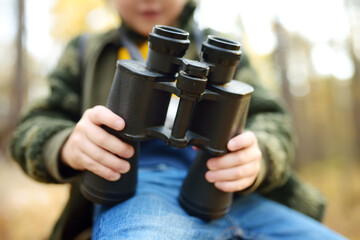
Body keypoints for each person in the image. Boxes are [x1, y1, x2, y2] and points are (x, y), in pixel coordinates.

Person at [10, 0, 346, 239]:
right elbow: (33, 127)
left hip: (222, 189)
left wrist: (258, 158)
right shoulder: (87, 51)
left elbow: (273, 120)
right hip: (132, 189)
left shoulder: (223, 52)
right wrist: (68, 146)